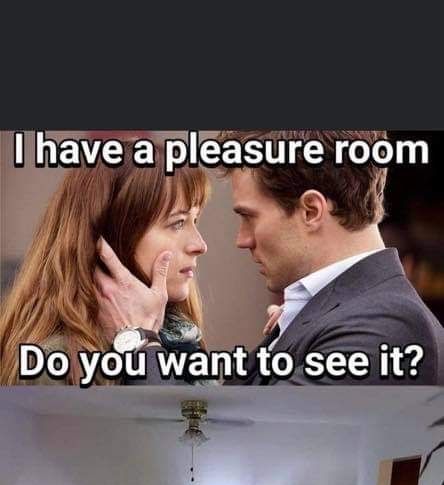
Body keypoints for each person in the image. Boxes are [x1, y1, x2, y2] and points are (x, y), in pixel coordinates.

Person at [219, 129, 444, 385]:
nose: (242, 240)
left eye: (249, 217)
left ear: (311, 211)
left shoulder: (386, 327)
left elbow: (260, 413)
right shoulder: (340, 314)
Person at [0, 141, 209, 385]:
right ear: (112, 239)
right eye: (177, 223)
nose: (200, 245)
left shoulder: (182, 339)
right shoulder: (55, 364)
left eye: (196, 220)